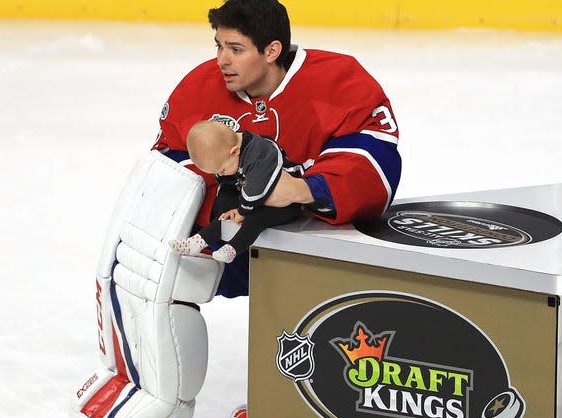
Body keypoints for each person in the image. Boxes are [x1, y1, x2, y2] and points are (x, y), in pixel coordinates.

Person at [154, 0, 402, 298]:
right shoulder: (199, 86)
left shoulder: (338, 79)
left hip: (313, 246)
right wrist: (228, 198)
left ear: (271, 51)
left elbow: (375, 158)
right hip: (228, 236)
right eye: (218, 46)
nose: (222, 60)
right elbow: (168, 160)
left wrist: (303, 189)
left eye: (236, 49)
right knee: (151, 274)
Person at [170, 120, 303, 263]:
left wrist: (242, 211)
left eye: (222, 170)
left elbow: (257, 189)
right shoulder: (228, 156)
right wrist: (229, 204)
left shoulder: (260, 151)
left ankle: (233, 248)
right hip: (251, 197)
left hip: (286, 202)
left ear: (235, 151)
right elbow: (229, 182)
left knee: (256, 218)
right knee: (223, 202)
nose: (221, 174)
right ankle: (199, 241)